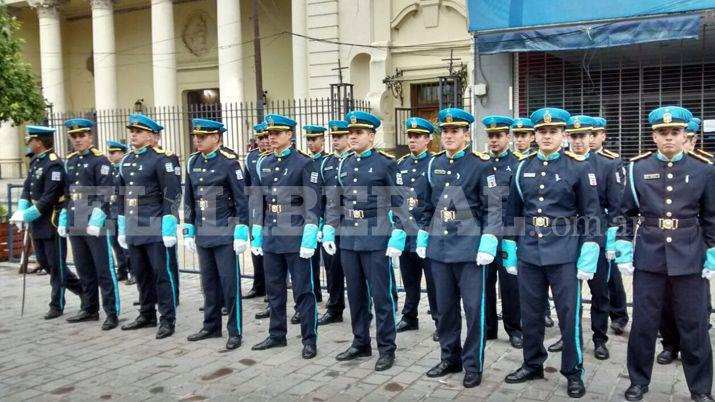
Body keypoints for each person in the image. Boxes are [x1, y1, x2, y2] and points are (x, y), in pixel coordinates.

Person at [616, 106, 714, 402]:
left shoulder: (704, 169)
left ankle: (700, 389)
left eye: (675, 133)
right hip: (650, 256)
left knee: (694, 325)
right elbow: (624, 213)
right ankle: (638, 381)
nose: (669, 138)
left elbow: (711, 216)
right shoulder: (637, 168)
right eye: (663, 133)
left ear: (686, 136)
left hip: (689, 256)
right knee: (644, 325)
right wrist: (622, 244)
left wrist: (711, 251)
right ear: (654, 135)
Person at [503, 107, 600, 398]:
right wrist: (509, 247)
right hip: (530, 251)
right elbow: (513, 212)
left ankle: (573, 371)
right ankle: (532, 363)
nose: (547, 136)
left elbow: (591, 213)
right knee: (530, 314)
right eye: (542, 132)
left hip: (565, 252)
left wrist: (590, 247)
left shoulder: (579, 167)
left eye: (553, 131)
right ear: (535, 135)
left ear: (563, 135)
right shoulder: (522, 167)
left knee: (569, 316)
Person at [322, 111, 410, 372]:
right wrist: (329, 227)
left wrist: (399, 230)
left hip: (377, 234)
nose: (352, 136)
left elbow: (400, 200)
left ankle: (387, 348)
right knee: (356, 295)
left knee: (381, 296)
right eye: (351, 133)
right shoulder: (343, 164)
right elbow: (334, 201)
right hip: (349, 236)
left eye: (358, 133)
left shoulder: (385, 163)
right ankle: (360, 342)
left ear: (371, 136)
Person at [420, 108, 500, 388]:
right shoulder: (434, 164)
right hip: (439, 250)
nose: (449, 136)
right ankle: (449, 357)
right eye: (445, 131)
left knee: (474, 310)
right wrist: (422, 235)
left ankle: (473, 364)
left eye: (455, 131)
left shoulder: (481, 164)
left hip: (470, 252)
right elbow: (428, 206)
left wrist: (488, 240)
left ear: (467, 134)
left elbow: (493, 208)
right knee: (445, 309)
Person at [546, 116, 620, 360]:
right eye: (574, 136)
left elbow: (616, 206)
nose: (578, 141)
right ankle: (569, 336)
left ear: (592, 137)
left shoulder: (607, 164)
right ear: (567, 137)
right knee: (567, 294)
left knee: (599, 290)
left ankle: (600, 338)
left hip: (595, 236)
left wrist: (610, 240)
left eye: (583, 136)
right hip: (566, 237)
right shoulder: (562, 163)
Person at [249, 114, 320, 360]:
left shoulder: (303, 163)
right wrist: (257, 231)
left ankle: (309, 339)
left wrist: (310, 235)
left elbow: (312, 202)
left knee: (303, 290)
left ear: (290, 134)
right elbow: (259, 200)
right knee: (275, 289)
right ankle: (277, 334)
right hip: (271, 234)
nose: (272, 138)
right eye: (269, 134)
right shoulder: (264, 162)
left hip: (296, 234)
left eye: (277, 133)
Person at [183, 118, 249, 351]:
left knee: (229, 284)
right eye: (196, 136)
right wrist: (188, 227)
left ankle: (235, 330)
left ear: (217, 138)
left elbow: (242, 199)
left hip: (224, 231)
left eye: (203, 136)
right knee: (208, 283)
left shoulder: (229, 163)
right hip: (203, 230)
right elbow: (189, 197)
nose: (197, 140)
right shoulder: (192, 162)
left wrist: (241, 230)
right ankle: (211, 326)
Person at [117, 114, 181, 339]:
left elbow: (171, 194)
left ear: (152, 136)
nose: (133, 135)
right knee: (141, 273)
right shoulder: (127, 160)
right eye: (132, 131)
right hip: (134, 223)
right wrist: (122, 223)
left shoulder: (161, 159)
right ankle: (146, 313)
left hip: (154, 222)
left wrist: (168, 223)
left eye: (139, 131)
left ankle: (167, 318)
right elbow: (121, 194)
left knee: (161, 274)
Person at [11, 126, 83, 319]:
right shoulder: (36, 160)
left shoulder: (54, 164)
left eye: (30, 140)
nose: (28, 143)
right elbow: (28, 187)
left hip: (51, 220)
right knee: (44, 261)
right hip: (37, 220)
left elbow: (50, 196)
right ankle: (82, 289)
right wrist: (21, 208)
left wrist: (28, 214)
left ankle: (56, 304)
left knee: (56, 264)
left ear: (39, 142)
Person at [58, 119, 119, 330]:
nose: (77, 140)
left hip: (96, 222)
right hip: (76, 221)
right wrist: (65, 216)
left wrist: (97, 217)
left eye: (81, 135)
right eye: (74, 136)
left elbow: (106, 192)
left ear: (90, 137)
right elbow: (67, 193)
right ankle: (89, 308)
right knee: (84, 269)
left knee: (104, 269)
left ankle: (112, 312)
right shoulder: (71, 161)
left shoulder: (99, 161)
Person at [394, 117, 439, 339]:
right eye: (410, 136)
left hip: (427, 231)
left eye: (418, 136)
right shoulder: (401, 164)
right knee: (409, 278)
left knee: (433, 281)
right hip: (406, 232)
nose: (412, 140)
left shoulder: (434, 163)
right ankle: (409, 316)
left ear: (428, 139)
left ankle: (440, 320)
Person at [481, 115, 523, 349]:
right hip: (486, 235)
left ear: (508, 137)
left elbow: (521, 204)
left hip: (509, 234)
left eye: (498, 135)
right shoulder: (481, 164)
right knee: (485, 283)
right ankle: (488, 328)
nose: (494, 140)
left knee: (510, 285)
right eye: (490, 136)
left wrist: (516, 237)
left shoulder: (518, 164)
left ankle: (514, 329)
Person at [511, 117, 554, 328]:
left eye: (523, 136)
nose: (519, 140)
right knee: (526, 285)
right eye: (516, 136)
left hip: (558, 239)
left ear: (531, 137)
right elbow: (516, 206)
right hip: (526, 233)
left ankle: (545, 310)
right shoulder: (519, 165)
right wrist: (515, 238)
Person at [589, 117, 629, 336]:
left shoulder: (611, 162)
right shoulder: (573, 160)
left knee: (610, 277)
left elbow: (618, 202)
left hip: (603, 229)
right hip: (579, 230)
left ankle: (619, 315)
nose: (590, 139)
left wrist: (616, 235)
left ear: (603, 136)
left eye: (594, 134)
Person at [316, 120, 350, 326]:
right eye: (334, 137)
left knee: (357, 270)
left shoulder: (354, 160)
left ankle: (365, 307)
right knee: (332, 268)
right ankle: (335, 307)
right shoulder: (326, 163)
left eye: (340, 136)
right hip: (331, 223)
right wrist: (321, 223)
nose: (336, 140)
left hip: (352, 222)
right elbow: (319, 196)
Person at [150, 129, 182, 305]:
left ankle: (173, 293)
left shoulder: (168, 157)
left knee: (169, 259)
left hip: (165, 214)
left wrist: (171, 215)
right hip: (148, 217)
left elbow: (173, 188)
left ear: (156, 136)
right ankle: (154, 294)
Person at [243, 123, 270, 304]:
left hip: (274, 207)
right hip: (255, 206)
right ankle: (258, 284)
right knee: (256, 248)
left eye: (267, 137)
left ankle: (272, 288)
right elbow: (246, 187)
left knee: (271, 250)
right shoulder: (251, 158)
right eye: (260, 138)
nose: (264, 141)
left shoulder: (276, 158)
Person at [106, 140, 133, 285]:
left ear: (122, 153)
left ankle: (133, 271)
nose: (110, 155)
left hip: (123, 211)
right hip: (111, 210)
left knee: (126, 244)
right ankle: (122, 270)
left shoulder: (126, 169)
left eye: (113, 153)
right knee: (114, 242)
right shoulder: (108, 170)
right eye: (109, 153)